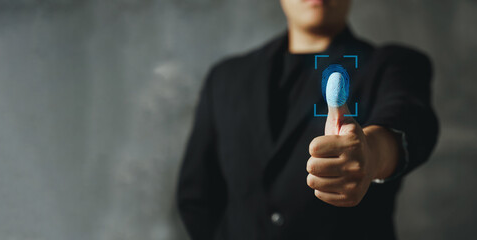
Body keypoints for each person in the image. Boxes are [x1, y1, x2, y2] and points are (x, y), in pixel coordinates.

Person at [176, 0, 439, 239]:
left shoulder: (391, 65)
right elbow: (196, 196)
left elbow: (410, 117)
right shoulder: (226, 78)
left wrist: (372, 154)